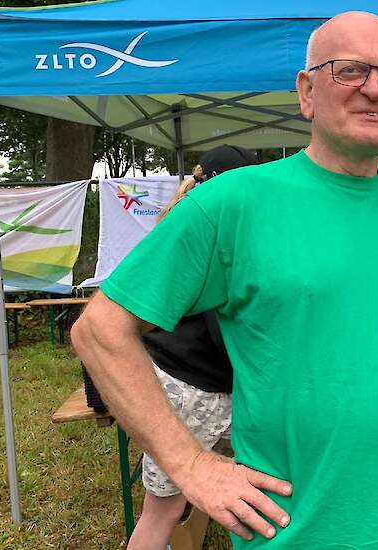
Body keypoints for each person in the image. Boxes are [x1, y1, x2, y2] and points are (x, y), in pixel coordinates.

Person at [71, 11, 378, 550]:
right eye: (350, 71)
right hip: (292, 534)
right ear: (306, 92)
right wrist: (191, 465)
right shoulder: (230, 204)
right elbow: (99, 332)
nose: (375, 89)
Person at [128, 144, 258, 550]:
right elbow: (225, 332)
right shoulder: (216, 232)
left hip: (180, 381)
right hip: (195, 388)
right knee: (164, 511)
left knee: (164, 510)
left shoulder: (186, 219)